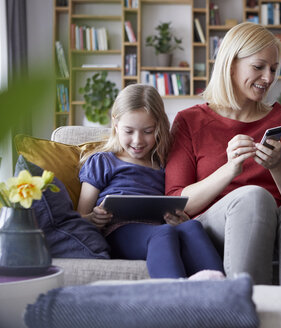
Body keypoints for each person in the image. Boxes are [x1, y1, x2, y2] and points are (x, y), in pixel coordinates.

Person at [165, 22, 281, 286]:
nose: (268, 78)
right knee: (253, 197)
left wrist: (277, 165)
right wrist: (229, 169)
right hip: (217, 225)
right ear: (231, 63)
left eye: (273, 69)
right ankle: (245, 309)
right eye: (258, 67)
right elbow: (176, 200)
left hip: (278, 224)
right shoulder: (189, 121)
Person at [77, 83, 224, 279]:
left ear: (159, 127)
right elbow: (79, 216)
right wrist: (93, 219)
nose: (138, 141)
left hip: (158, 229)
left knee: (192, 227)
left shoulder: (164, 164)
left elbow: (174, 201)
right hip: (118, 232)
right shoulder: (103, 161)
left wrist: (179, 219)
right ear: (116, 124)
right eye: (129, 131)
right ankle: (173, 299)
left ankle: (222, 290)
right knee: (164, 234)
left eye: (147, 131)